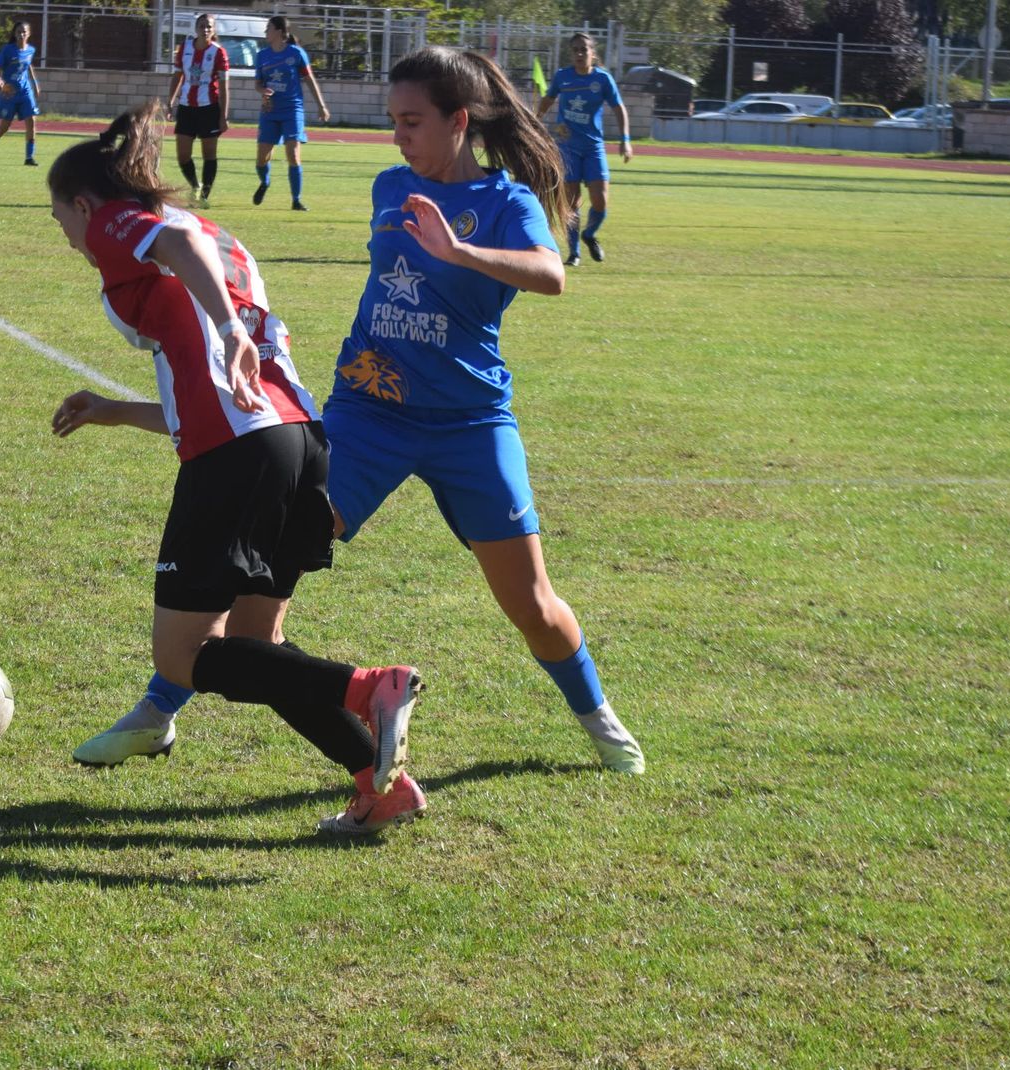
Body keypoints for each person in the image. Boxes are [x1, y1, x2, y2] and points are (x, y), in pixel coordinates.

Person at [73, 47, 646, 786]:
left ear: (459, 122)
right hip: (366, 417)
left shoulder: (508, 202)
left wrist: (460, 249)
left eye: (412, 121)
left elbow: (551, 275)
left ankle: (600, 721)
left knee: (532, 605)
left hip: (472, 426)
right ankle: (156, 713)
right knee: (259, 573)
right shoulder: (389, 186)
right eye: (393, 120)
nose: (398, 135)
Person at [48, 101, 427, 835]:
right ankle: (379, 786)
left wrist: (226, 330)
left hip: (240, 454)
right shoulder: (222, 241)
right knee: (258, 647)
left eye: (59, 215)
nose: (65, 233)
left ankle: (368, 687)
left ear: (85, 203)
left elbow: (176, 253)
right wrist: (113, 408)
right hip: (296, 442)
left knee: (187, 657)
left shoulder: (120, 223)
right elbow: (222, 392)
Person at [534, 33, 630, 265]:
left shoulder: (603, 79)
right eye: (575, 50)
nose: (579, 54)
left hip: (593, 147)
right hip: (567, 147)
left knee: (600, 201)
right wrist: (534, 122)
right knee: (571, 202)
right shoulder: (562, 77)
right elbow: (548, 100)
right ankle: (574, 253)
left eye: (583, 50)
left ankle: (589, 234)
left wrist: (625, 139)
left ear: (592, 53)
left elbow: (619, 108)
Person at [252, 15, 329, 211]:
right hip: (270, 111)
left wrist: (321, 105)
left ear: (279, 31)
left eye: (268, 28)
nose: (265, 32)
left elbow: (310, 80)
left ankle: (296, 200)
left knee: (293, 154)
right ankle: (265, 181)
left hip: (292, 110)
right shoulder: (262, 55)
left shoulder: (296, 53)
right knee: (262, 158)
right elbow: (258, 83)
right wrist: (263, 91)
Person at [166, 12, 230, 206]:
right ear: (195, 29)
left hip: (209, 109)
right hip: (186, 108)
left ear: (214, 30)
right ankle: (195, 185)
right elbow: (177, 77)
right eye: (202, 26)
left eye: (209, 26)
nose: (205, 29)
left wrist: (223, 116)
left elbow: (225, 86)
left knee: (208, 154)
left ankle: (204, 197)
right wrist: (170, 102)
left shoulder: (218, 52)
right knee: (183, 154)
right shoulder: (184, 48)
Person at [0, 22, 42, 167]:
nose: (21, 35)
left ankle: (29, 158)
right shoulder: (8, 50)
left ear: (29, 33)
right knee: (5, 126)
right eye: (19, 32)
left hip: (25, 91)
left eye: (24, 32)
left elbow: (28, 65)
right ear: (14, 34)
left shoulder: (31, 50)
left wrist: (35, 83)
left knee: (31, 122)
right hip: (10, 93)